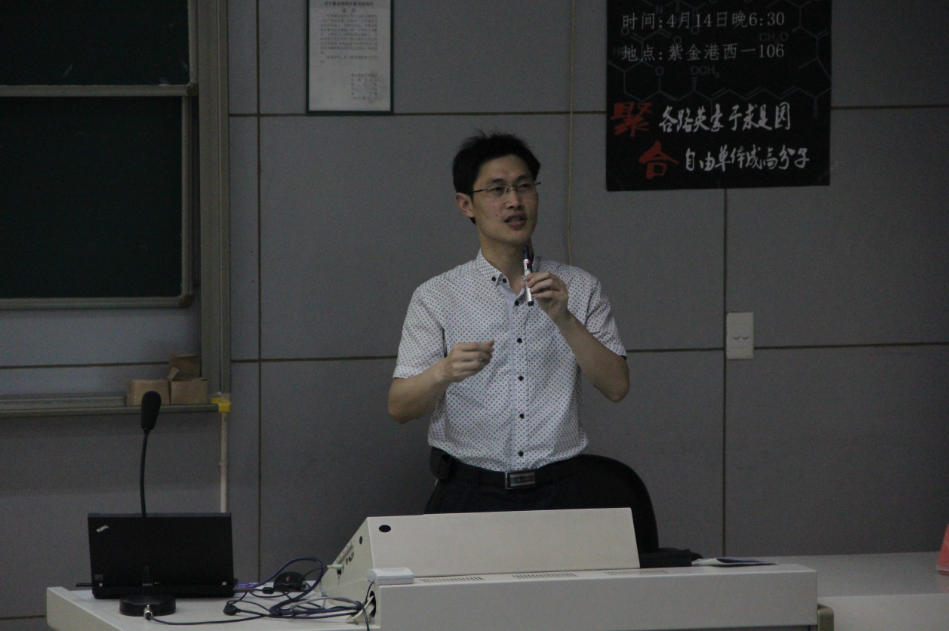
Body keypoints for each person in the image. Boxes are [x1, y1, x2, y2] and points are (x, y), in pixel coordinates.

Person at [388, 131, 629, 513]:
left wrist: (565, 320)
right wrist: (444, 372)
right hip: (468, 491)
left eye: (524, 186)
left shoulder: (579, 287)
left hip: (559, 493)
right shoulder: (437, 295)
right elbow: (399, 407)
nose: (515, 201)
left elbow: (617, 387)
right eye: (497, 190)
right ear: (466, 204)